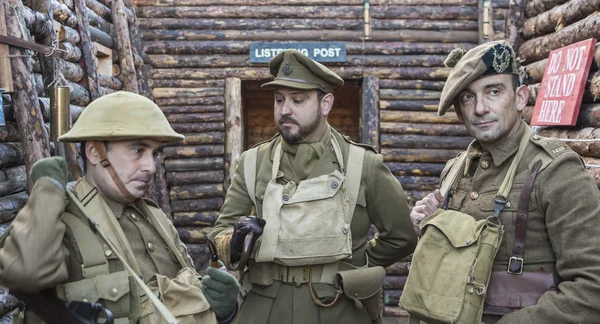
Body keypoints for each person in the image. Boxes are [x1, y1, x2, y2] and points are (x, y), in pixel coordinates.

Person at [210, 49, 417, 324]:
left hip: (336, 306)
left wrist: (354, 264)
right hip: (264, 308)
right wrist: (236, 242)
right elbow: (219, 234)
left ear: (326, 104)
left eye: (298, 100)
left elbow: (401, 237)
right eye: (279, 99)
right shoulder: (252, 162)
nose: (285, 110)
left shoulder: (362, 165)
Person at [0, 91, 239, 324]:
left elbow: (186, 292)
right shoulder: (63, 219)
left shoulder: (155, 216)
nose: (150, 167)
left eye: (154, 153)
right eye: (138, 150)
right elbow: (24, 276)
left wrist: (223, 310)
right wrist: (47, 192)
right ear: (95, 152)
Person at [410, 40, 600, 323]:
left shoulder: (556, 171)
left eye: (494, 91)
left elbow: (591, 289)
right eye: (467, 97)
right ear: (460, 111)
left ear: (521, 97)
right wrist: (429, 227)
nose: (481, 108)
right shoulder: (455, 170)